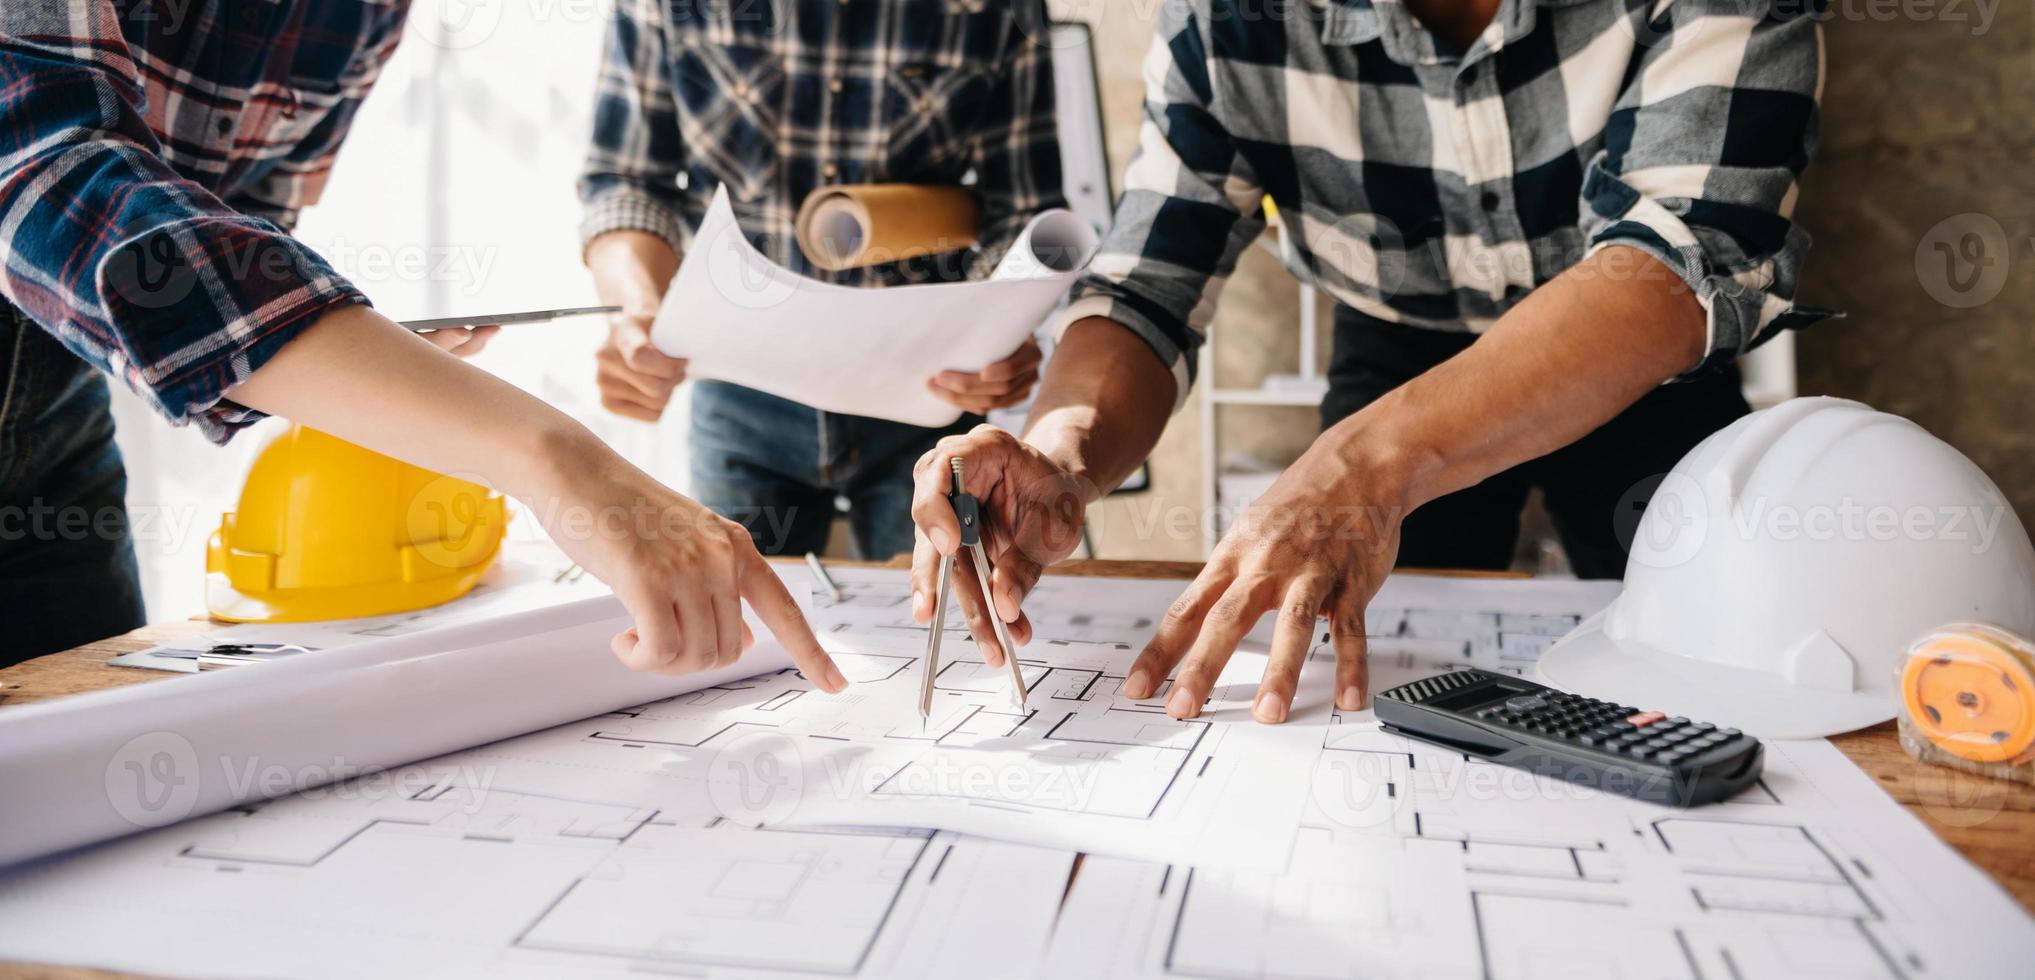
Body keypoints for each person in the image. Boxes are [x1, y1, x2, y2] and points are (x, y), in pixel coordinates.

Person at [908, 0, 1829, 722]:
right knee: (1374, 697)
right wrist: (1059, 456)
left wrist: (1363, 466)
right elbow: (1148, 282)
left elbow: (1684, 255)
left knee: (1721, 664)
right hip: (1395, 346)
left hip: (1639, 358)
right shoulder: (1223, 20)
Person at [0, 0, 844, 689]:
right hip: (36, 323)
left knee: (84, 755)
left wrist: (356, 343)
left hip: (56, 403)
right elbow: (48, 174)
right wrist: (555, 460)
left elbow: (234, 226)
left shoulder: (361, 14)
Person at [580, 0, 1065, 560]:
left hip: (927, 395)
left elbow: (1022, 213)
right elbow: (625, 180)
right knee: (740, 624)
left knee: (950, 615)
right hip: (739, 387)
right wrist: (636, 312)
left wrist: (998, 334)